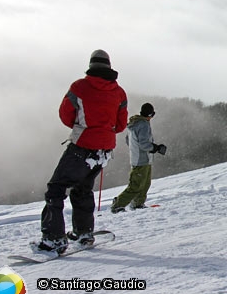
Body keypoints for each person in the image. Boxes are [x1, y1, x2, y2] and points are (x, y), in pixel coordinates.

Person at [38, 50, 128, 253]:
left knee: (56, 189)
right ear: (109, 66)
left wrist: (82, 127)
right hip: (104, 149)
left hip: (82, 145)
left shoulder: (79, 87)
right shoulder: (119, 92)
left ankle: (54, 239)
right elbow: (121, 124)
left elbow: (65, 114)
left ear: (91, 64)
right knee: (83, 189)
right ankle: (84, 233)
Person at [110, 103, 166, 213]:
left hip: (140, 158)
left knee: (145, 184)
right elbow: (144, 144)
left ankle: (138, 204)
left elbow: (128, 140)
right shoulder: (143, 124)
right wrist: (156, 148)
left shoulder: (134, 124)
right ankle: (118, 204)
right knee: (136, 185)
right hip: (141, 160)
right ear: (150, 114)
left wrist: (136, 150)